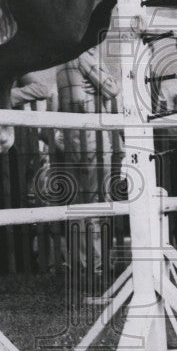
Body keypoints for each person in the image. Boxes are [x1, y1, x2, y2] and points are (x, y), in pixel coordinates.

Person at [52, 46, 121, 279]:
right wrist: (101, 79)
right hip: (94, 140)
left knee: (81, 206)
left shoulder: (62, 58)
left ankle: (85, 264)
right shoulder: (85, 55)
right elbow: (113, 88)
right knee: (97, 205)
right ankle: (97, 266)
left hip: (74, 140)